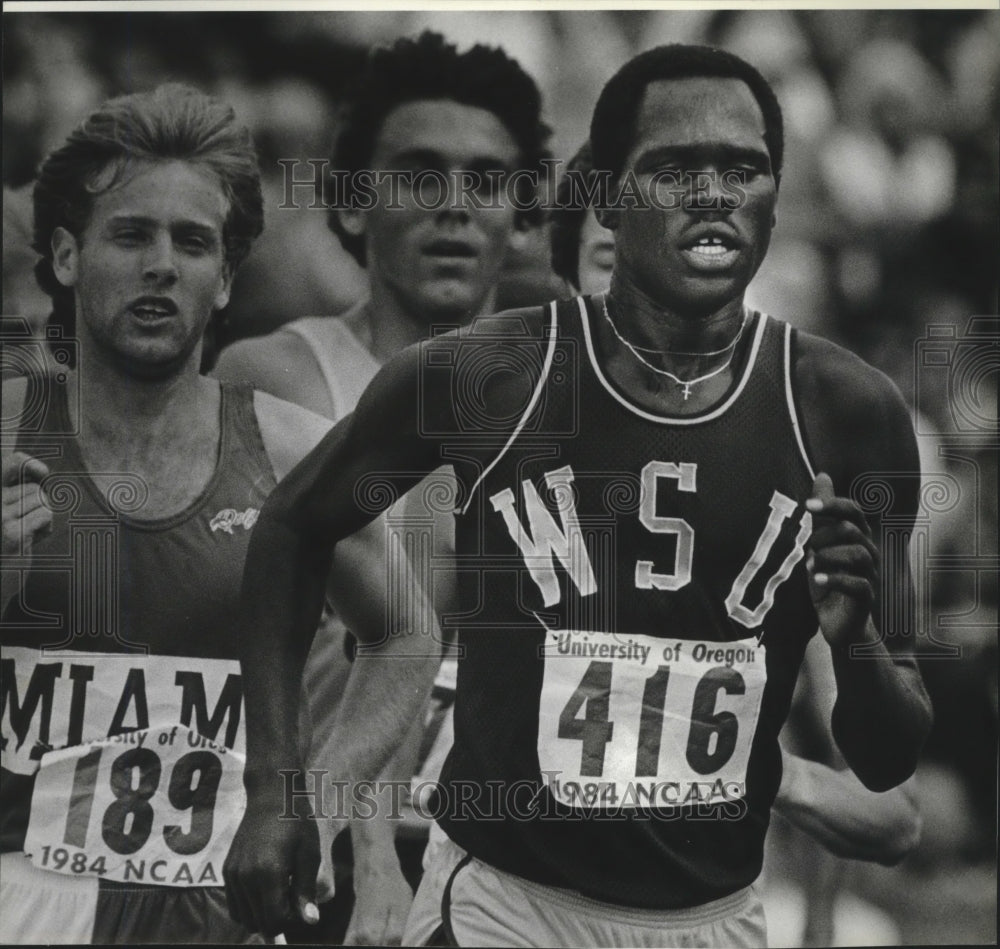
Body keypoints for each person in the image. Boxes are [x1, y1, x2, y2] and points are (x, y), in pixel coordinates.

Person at [224, 44, 933, 947]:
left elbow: (889, 756)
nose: (712, 193)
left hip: (714, 918)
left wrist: (859, 640)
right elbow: (293, 528)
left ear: (775, 196)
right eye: (675, 168)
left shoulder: (851, 412)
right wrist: (277, 788)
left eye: (742, 169)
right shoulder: (488, 375)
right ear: (602, 191)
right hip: (503, 906)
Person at [0, 84, 436, 945]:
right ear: (64, 255)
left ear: (228, 276)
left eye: (193, 242)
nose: (163, 263)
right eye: (131, 234)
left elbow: (406, 632)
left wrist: (307, 802)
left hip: (213, 910)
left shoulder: (291, 451)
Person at [213, 30, 551, 945]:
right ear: (354, 204)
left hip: (499, 871)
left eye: (486, 181)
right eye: (417, 174)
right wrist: (363, 853)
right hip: (305, 862)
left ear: (522, 217)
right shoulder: (278, 378)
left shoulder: (562, 405)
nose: (453, 206)